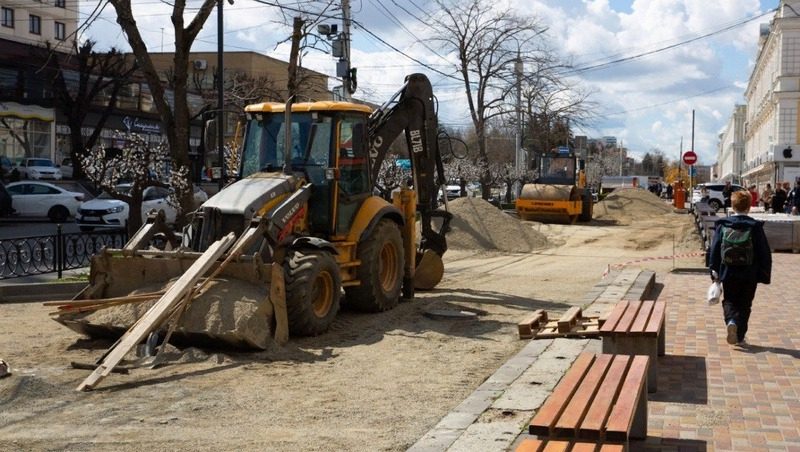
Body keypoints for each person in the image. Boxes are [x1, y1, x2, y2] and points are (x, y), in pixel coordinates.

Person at [707, 191, 772, 346]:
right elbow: (764, 251)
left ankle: (731, 321)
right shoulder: (755, 226)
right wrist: (764, 272)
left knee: (729, 300)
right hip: (750, 272)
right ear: (749, 206)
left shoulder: (723, 225)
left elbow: (715, 248)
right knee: (745, 303)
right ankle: (740, 336)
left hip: (728, 270)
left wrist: (713, 270)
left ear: (732, 205)